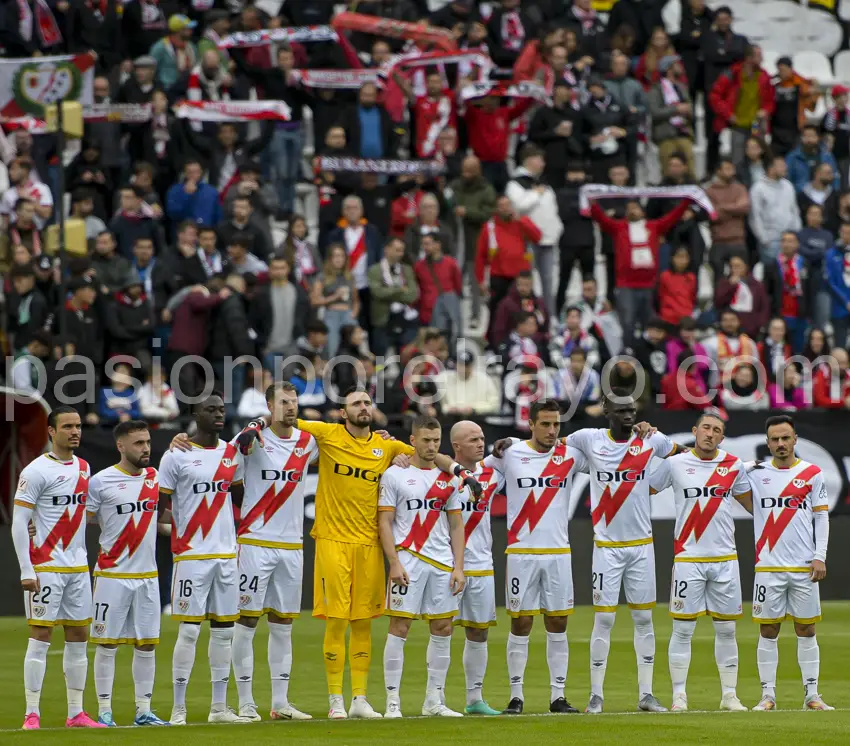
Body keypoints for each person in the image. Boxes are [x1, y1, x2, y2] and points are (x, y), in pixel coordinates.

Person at [234, 388, 481, 720]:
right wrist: (254, 424)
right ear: (342, 412)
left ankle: (360, 699)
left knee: (364, 623)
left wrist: (461, 472)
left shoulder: (386, 446)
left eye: (367, 402)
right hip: (332, 540)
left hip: (369, 544)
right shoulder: (326, 434)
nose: (364, 407)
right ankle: (335, 699)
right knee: (336, 621)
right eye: (356, 403)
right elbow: (284, 417)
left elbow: (430, 454)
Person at [481, 400, 584, 715]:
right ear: (531, 424)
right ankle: (516, 696)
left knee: (558, 622)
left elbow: (608, 454)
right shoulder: (510, 454)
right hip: (521, 553)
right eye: (545, 424)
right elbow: (476, 467)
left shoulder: (571, 455)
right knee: (521, 622)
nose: (552, 430)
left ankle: (558, 696)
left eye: (556, 424)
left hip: (558, 553)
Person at [158, 393, 252, 725]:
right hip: (192, 556)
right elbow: (160, 506)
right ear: (196, 415)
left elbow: (238, 498)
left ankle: (218, 708)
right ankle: (178, 709)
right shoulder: (176, 455)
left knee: (224, 632)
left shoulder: (231, 453)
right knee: (189, 632)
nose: (218, 414)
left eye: (221, 410)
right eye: (210, 410)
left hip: (226, 555)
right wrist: (178, 526)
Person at [649, 412, 753, 712]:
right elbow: (644, 490)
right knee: (683, 629)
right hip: (688, 558)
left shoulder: (733, 465)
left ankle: (729, 695)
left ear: (722, 437)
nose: (710, 433)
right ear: (695, 431)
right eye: (706, 427)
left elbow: (753, 505)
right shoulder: (675, 464)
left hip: (725, 558)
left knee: (727, 630)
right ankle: (679, 695)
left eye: (716, 430)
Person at [11, 406, 104, 730]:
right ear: (51, 431)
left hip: (78, 567)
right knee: (41, 635)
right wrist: (26, 569)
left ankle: (76, 713)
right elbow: (19, 521)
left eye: (77, 426)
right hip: (46, 565)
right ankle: (31, 713)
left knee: (79, 636)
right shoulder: (36, 471)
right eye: (67, 426)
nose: (75, 431)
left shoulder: (84, 467)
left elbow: (85, 514)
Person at [230, 382, 318, 721]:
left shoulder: (308, 442)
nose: (291, 407)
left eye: (294, 401)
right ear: (269, 405)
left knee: (283, 623)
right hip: (255, 542)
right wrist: (255, 425)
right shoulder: (252, 441)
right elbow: (230, 464)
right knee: (247, 620)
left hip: (292, 545)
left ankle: (280, 703)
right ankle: (246, 701)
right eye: (283, 402)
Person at [379, 416, 467, 718]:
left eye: (436, 440)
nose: (431, 446)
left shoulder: (449, 478)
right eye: (426, 440)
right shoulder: (394, 475)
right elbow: (384, 522)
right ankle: (392, 701)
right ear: (413, 440)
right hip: (408, 559)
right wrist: (393, 562)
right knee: (399, 627)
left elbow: (456, 525)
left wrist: (459, 567)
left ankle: (434, 701)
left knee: (443, 628)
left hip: (441, 562)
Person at [86, 420, 169, 726]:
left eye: (147, 442)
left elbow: (160, 521)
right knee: (107, 643)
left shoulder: (154, 477)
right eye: (138, 443)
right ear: (120, 445)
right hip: (112, 574)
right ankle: (104, 711)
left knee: (146, 643)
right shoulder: (100, 481)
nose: (146, 448)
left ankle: (143, 710)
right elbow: (81, 519)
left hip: (147, 575)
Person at [748, 415, 833, 711]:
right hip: (768, 567)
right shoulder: (756, 474)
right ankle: (767, 696)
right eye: (775, 439)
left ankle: (812, 695)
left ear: (795, 439)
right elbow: (724, 472)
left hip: (803, 567)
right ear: (768, 442)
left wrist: (820, 555)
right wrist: (749, 464)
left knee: (806, 630)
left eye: (786, 438)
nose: (781, 443)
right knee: (768, 630)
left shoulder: (812, 473)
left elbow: (821, 516)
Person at [445, 420, 504, 715]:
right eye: (473, 440)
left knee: (479, 632)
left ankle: (474, 699)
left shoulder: (494, 473)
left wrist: (509, 443)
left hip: (481, 563)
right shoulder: (443, 474)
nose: (481, 443)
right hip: (447, 563)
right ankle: (435, 698)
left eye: (482, 438)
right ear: (456, 446)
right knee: (441, 629)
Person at [588, 195, 690, 348]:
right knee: (627, 323)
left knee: (650, 324)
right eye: (629, 209)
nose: (632, 211)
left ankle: (649, 354)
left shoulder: (654, 226)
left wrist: (686, 202)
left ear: (643, 211)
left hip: (649, 285)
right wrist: (593, 205)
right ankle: (628, 353)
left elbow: (672, 218)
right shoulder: (619, 227)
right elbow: (602, 219)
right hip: (626, 285)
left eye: (635, 208)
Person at [505, 145, 563, 315]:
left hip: (548, 240)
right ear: (529, 160)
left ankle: (549, 316)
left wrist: (557, 227)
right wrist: (535, 194)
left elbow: (552, 208)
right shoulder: (515, 184)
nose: (543, 164)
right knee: (527, 281)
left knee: (548, 281)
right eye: (540, 159)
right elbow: (518, 206)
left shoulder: (543, 183)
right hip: (528, 241)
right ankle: (526, 315)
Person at [476, 196, 542, 345]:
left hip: (521, 279)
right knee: (496, 312)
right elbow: (480, 256)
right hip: (498, 276)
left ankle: (528, 343)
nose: (505, 208)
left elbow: (537, 237)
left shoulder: (522, 222)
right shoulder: (489, 227)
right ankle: (494, 344)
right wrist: (480, 280)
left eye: (507, 205)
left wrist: (521, 221)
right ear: (496, 209)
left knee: (525, 311)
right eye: (501, 205)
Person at [708, 44, 774, 166]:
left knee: (757, 158)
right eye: (759, 56)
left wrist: (765, 110)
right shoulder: (732, 73)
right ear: (749, 58)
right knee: (738, 159)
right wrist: (728, 114)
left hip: (755, 124)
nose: (762, 59)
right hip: (737, 124)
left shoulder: (763, 76)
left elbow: (770, 100)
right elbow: (714, 96)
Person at [367, 237, 420, 358]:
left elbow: (413, 295)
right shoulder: (375, 270)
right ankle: (379, 371)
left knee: (406, 357)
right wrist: (399, 289)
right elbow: (377, 293)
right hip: (383, 321)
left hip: (404, 320)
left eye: (402, 250)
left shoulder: (407, 270)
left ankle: (403, 371)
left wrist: (389, 292)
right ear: (387, 249)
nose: (400, 254)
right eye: (397, 250)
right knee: (380, 359)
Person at [749, 155, 801, 264]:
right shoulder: (758, 188)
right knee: (772, 272)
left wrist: (797, 232)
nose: (785, 168)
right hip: (770, 241)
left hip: (789, 239)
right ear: (771, 168)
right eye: (781, 166)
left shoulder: (788, 186)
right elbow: (755, 216)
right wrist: (764, 239)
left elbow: (794, 211)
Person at [763, 231, 809, 353]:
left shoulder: (804, 263)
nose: (787, 244)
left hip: (800, 315)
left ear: (797, 244)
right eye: (784, 241)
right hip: (780, 315)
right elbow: (767, 292)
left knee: (798, 352)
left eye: (790, 241)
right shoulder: (772, 264)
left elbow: (810, 290)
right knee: (781, 352)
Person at [705, 158, 750, 277]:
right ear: (718, 171)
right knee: (719, 280)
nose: (731, 172)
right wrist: (734, 208)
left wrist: (721, 207)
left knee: (741, 278)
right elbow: (713, 215)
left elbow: (744, 208)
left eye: (732, 169)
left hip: (738, 240)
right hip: (718, 242)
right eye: (727, 169)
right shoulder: (710, 191)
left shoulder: (740, 188)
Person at [825, 224, 850, 348]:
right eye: (845, 232)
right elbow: (830, 282)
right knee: (840, 345)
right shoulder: (831, 253)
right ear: (840, 233)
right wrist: (846, 301)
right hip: (839, 307)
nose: (847, 235)